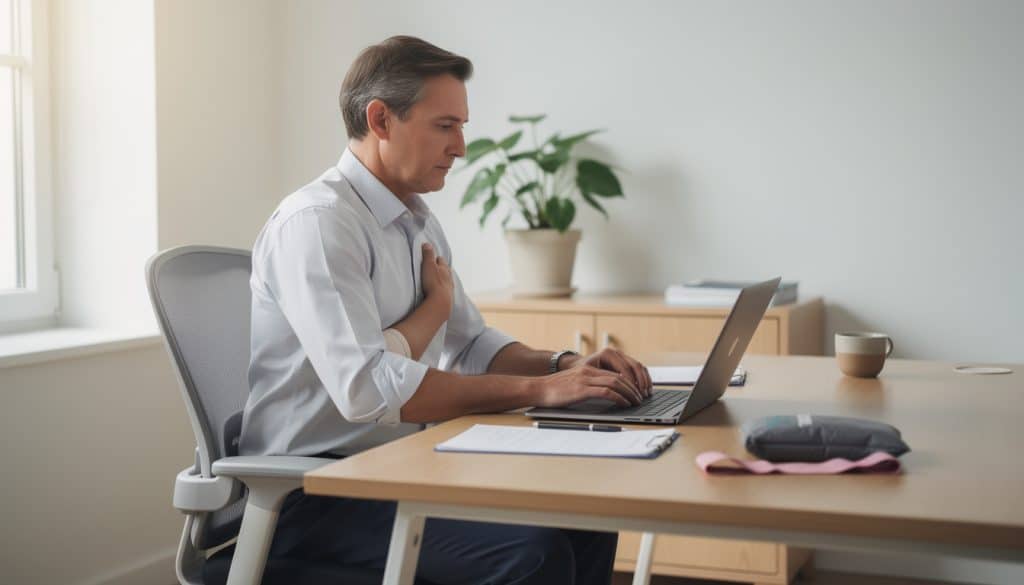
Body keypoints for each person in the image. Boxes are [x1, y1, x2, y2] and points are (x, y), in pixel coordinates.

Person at [240, 34, 654, 585]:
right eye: (445, 126)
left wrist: (564, 367)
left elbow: (473, 346)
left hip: (402, 467)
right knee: (531, 554)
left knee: (587, 518)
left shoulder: (417, 221)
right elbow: (367, 386)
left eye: (462, 126)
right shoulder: (318, 224)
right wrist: (540, 392)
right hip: (315, 492)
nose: (460, 146)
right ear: (381, 119)